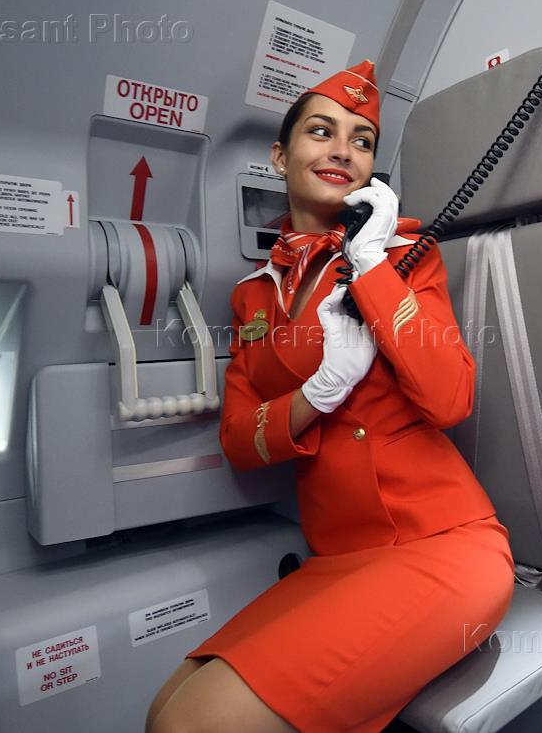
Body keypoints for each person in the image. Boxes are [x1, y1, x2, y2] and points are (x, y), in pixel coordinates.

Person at [145, 60, 513, 733]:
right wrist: (319, 393)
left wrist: (372, 268)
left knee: (191, 724)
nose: (343, 149)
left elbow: (451, 397)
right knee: (167, 705)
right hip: (341, 559)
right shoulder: (252, 296)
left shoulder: (404, 254)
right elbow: (238, 441)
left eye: (361, 140)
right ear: (279, 156)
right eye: (321, 132)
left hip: (442, 544)